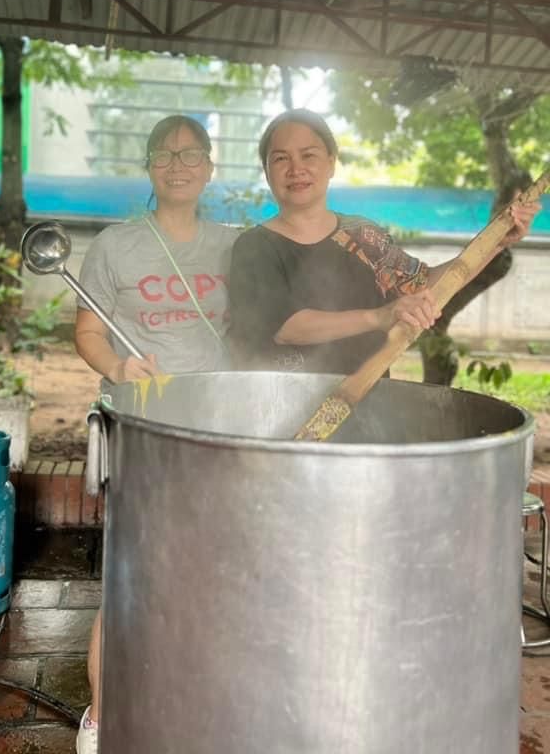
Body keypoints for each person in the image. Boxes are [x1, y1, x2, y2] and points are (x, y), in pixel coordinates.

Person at [73, 114, 238, 754]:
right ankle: (101, 715)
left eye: (190, 154)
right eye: (164, 155)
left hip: (217, 427)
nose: (177, 165)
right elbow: (88, 333)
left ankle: (191, 693)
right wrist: (118, 367)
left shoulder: (234, 246)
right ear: (148, 166)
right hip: (143, 424)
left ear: (209, 167)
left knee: (212, 566)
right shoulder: (115, 246)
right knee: (133, 569)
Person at [228, 108, 540, 374]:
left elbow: (422, 286)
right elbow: (286, 328)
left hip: (373, 404)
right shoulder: (255, 247)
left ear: (331, 162)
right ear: (266, 172)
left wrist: (497, 242)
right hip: (288, 405)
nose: (296, 169)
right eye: (280, 159)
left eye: (308, 155)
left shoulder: (363, 235)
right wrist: (379, 316)